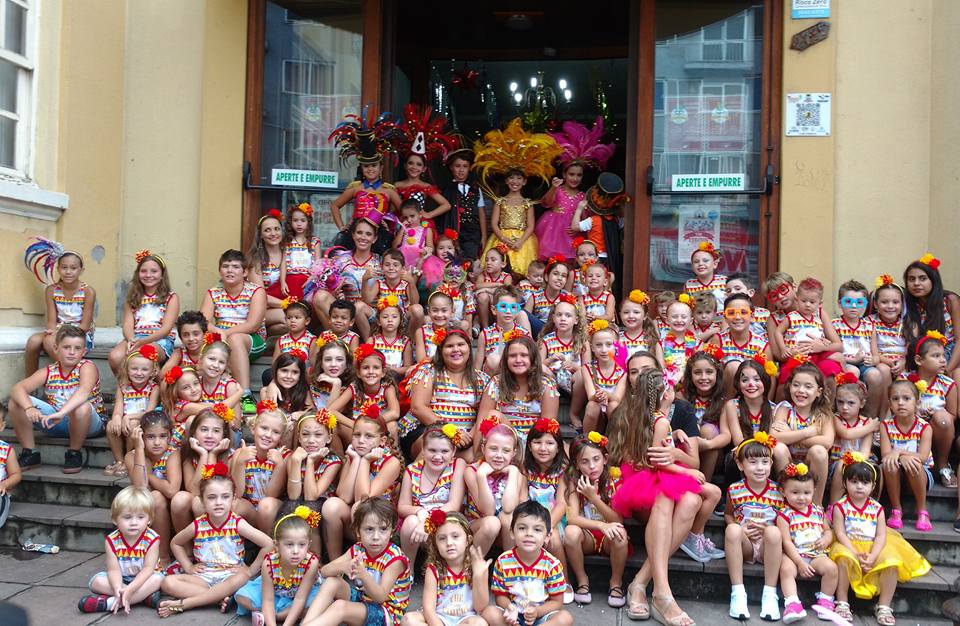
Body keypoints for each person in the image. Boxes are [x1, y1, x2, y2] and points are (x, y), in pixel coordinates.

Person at [158, 462, 274, 617]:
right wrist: (188, 566)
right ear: (202, 500)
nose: (219, 502)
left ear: (233, 499)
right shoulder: (198, 525)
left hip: (230, 575)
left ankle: (185, 604)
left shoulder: (236, 523)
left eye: (225, 497)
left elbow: (268, 544)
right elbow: (176, 543)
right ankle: (218, 598)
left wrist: (251, 569)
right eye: (211, 498)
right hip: (204, 576)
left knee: (243, 577)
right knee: (167, 583)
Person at [829, 453, 931, 625]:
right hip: (848, 543)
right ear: (845, 483)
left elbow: (881, 535)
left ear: (873, 486)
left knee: (891, 561)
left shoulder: (877, 508)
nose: (859, 486)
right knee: (843, 557)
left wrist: (873, 555)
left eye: (865, 482)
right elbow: (840, 533)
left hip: (873, 545)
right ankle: (842, 602)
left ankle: (884, 606)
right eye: (854, 481)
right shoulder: (840, 507)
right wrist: (854, 552)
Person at [10, 324, 105, 473]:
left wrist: (61, 413)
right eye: (66, 347)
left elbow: (83, 393)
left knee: (81, 407)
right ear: (56, 349)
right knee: (16, 402)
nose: (72, 352)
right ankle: (30, 453)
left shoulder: (86, 367)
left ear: (84, 351)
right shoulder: (49, 371)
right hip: (56, 421)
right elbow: (17, 388)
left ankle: (74, 453)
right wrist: (29, 407)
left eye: (77, 348)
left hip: (89, 424)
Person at [302, 497, 412, 626]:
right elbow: (324, 571)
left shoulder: (395, 559)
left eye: (383, 529)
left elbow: (381, 597)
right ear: (358, 531)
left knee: (340, 607)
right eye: (369, 529)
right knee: (332, 582)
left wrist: (363, 575)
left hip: (388, 613)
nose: (376, 537)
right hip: (364, 601)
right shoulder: (358, 549)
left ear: (392, 531)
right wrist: (343, 566)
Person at [474, 119, 561, 276]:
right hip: (501, 238)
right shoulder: (500, 201)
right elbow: (494, 224)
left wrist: (521, 241)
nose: (515, 181)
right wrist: (504, 239)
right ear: (507, 181)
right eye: (512, 178)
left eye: (519, 178)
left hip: (524, 240)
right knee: (498, 270)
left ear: (524, 181)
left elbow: (530, 226)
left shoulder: (528, 203)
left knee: (523, 272)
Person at [321, 413, 402, 558]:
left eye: (369, 436)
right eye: (357, 435)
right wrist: (356, 460)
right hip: (357, 521)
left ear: (382, 440)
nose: (361, 441)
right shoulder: (352, 456)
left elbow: (364, 499)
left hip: (380, 523)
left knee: (358, 507)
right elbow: (344, 497)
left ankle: (366, 561)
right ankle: (336, 560)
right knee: (331, 505)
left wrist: (365, 461)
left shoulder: (391, 462)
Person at [402, 328, 489, 461]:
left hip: (465, 437)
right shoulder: (428, 372)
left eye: (461, 344)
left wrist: (470, 437)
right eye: (449, 346)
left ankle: (461, 457)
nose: (456, 349)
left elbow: (484, 414)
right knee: (438, 443)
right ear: (441, 351)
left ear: (468, 348)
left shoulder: (482, 379)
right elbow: (418, 408)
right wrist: (450, 430)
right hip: (426, 428)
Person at [483, 500, 574, 626]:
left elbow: (557, 602)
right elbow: (500, 596)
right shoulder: (503, 561)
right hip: (513, 617)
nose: (529, 534)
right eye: (522, 528)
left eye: (537, 530)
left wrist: (537, 611)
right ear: (512, 532)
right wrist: (510, 608)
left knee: (565, 618)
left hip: (541, 616)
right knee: (489, 612)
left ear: (547, 536)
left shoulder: (552, 564)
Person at [564, 432, 628, 609]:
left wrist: (594, 498)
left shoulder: (614, 479)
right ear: (577, 464)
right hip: (587, 536)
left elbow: (618, 519)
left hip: (609, 538)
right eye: (584, 462)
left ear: (605, 459)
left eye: (596, 459)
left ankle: (616, 582)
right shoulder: (575, 481)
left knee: (620, 534)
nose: (592, 466)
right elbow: (572, 518)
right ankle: (582, 579)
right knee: (570, 532)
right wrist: (600, 525)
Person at [725, 434, 785, 621]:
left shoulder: (779, 491)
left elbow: (786, 519)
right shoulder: (734, 489)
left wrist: (770, 528)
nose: (760, 467)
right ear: (740, 465)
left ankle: (770, 594)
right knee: (732, 530)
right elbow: (728, 514)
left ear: (771, 464)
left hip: (770, 547)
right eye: (753, 462)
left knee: (774, 531)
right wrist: (738, 528)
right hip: (746, 546)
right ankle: (738, 593)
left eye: (765, 462)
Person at [539, 116, 615, 261]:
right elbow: (546, 203)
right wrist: (553, 188)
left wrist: (578, 227)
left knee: (574, 261)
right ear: (564, 174)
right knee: (555, 262)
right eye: (571, 174)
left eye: (579, 175)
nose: (575, 178)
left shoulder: (583, 195)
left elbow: (586, 217)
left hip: (574, 234)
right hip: (554, 232)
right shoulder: (558, 189)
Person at [78, 486, 165, 613]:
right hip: (122, 579)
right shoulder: (112, 540)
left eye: (140, 517)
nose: (134, 522)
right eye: (127, 517)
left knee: (158, 579)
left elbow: (148, 569)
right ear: (115, 519)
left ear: (149, 519)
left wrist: (130, 589)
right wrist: (118, 588)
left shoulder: (152, 539)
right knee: (95, 581)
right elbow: (113, 570)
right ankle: (142, 598)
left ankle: (109, 603)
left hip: (146, 579)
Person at [200, 249, 267, 414]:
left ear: (244, 272)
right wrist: (219, 333)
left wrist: (225, 333)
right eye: (225, 266)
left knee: (235, 339)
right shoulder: (213, 293)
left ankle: (245, 395)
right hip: (222, 337)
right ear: (220, 271)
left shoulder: (256, 291)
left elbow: (253, 324)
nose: (230, 270)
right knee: (198, 340)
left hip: (251, 339)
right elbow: (203, 322)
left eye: (236, 267)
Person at [234, 505, 322, 625]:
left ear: (309, 544)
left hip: (302, 596)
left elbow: (300, 599)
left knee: (316, 604)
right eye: (289, 544)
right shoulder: (269, 562)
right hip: (276, 592)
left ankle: (273, 615)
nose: (296, 551)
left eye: (302, 545)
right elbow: (268, 600)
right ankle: (270, 614)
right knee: (242, 597)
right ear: (276, 545)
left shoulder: (311, 563)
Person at [328, 114, 402, 254]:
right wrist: (342, 227)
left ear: (381, 168)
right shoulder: (356, 188)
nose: (370, 169)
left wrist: (393, 225)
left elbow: (404, 212)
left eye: (374, 165)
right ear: (361, 168)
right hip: (357, 234)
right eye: (366, 166)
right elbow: (335, 206)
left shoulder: (389, 191)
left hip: (379, 235)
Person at [401, 510, 491, 626]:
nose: (449, 543)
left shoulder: (477, 566)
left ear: (468, 540)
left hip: (466, 619)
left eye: (455, 536)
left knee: (480, 623)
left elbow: (480, 607)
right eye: (442, 538)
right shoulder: (433, 569)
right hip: (439, 618)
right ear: (435, 544)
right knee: (408, 620)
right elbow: (428, 609)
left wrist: (478, 576)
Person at [776, 463, 839, 623]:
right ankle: (792, 603)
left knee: (831, 568)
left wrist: (826, 539)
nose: (801, 497)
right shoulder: (784, 515)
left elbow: (828, 531)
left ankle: (825, 600)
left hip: (816, 555)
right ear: (783, 492)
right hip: (794, 554)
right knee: (786, 568)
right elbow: (786, 542)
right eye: (795, 492)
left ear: (814, 491)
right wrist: (799, 562)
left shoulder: (818, 511)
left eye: (807, 493)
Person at [22, 239, 96, 377]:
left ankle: (70, 376)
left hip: (80, 332)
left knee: (49, 341)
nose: (68, 272)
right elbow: (51, 321)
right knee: (33, 341)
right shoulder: (51, 290)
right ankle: (30, 381)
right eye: (64, 267)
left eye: (73, 268)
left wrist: (59, 335)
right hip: (58, 329)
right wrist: (54, 332)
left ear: (81, 270)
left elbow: (85, 326)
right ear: (58, 269)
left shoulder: (88, 291)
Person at [519, 417, 572, 604]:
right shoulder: (525, 469)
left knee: (553, 539)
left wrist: (546, 527)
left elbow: (562, 503)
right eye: (537, 442)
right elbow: (522, 498)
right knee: (526, 536)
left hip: (554, 518)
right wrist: (530, 524)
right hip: (530, 516)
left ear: (558, 448)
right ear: (529, 445)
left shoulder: (563, 471)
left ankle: (564, 580)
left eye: (549, 443)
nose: (543, 448)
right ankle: (530, 580)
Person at [397, 424, 466, 563]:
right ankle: (407, 569)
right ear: (423, 449)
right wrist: (420, 511)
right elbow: (402, 506)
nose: (438, 456)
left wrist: (428, 521)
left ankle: (447, 568)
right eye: (432, 450)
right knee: (410, 521)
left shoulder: (457, 465)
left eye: (444, 451)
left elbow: (454, 504)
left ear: (453, 452)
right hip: (419, 531)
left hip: (448, 523)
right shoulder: (412, 471)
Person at [478, 335, 559, 451]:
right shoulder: (496, 383)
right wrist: (477, 453)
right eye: (512, 356)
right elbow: (481, 423)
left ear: (533, 358)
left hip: (535, 446)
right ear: (506, 359)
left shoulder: (546, 385)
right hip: (504, 445)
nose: (518, 360)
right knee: (493, 415)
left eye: (524, 355)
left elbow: (548, 429)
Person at [772, 363, 836, 504]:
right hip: (788, 463)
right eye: (796, 385)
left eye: (808, 386)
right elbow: (775, 437)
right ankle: (786, 502)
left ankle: (816, 505)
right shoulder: (785, 409)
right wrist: (807, 432)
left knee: (819, 451)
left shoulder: (823, 414)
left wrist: (791, 434)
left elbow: (827, 442)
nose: (801, 390)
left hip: (812, 464)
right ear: (789, 386)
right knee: (779, 448)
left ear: (818, 391)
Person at [108, 250, 180, 374]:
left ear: (162, 275)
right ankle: (126, 383)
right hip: (136, 337)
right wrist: (131, 340)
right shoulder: (132, 297)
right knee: (115, 356)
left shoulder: (171, 297)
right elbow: (127, 325)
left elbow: (166, 328)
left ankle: (151, 384)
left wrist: (143, 342)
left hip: (159, 339)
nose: (148, 275)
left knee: (142, 355)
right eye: (143, 271)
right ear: (138, 274)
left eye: (154, 271)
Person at [126, 409, 181, 567]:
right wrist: (139, 449)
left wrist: (149, 475)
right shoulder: (132, 456)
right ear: (141, 436)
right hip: (147, 507)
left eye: (162, 436)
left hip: (173, 506)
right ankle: (158, 557)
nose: (157, 442)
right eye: (150, 437)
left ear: (169, 437)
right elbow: (140, 487)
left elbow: (172, 490)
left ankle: (164, 557)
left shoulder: (172, 454)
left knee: (157, 496)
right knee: (155, 497)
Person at [905, 331, 958, 487]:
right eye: (936, 356)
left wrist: (936, 414)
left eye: (943, 355)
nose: (943, 360)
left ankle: (943, 465)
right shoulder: (905, 380)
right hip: (910, 429)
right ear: (919, 360)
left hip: (937, 433)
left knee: (943, 418)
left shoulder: (947, 384)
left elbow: (953, 415)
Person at [880, 380, 934, 532]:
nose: (900, 403)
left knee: (914, 463)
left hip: (921, 473)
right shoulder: (885, 426)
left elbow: (922, 457)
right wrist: (900, 457)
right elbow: (885, 454)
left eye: (906, 398)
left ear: (917, 402)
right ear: (890, 404)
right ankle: (896, 510)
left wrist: (899, 452)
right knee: (889, 464)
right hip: (895, 473)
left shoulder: (925, 427)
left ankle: (922, 511)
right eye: (895, 399)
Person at [169, 407, 232, 532]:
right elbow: (194, 490)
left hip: (221, 503)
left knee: (200, 503)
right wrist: (203, 455)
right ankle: (186, 542)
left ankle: (214, 539)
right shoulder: (189, 456)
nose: (209, 435)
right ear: (194, 433)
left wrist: (213, 455)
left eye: (216, 431)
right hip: (199, 499)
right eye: (204, 429)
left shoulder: (230, 456)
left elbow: (214, 490)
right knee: (181, 499)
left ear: (223, 435)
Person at [464, 419, 522, 553]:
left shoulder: (515, 473)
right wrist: (481, 476)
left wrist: (513, 473)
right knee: (492, 523)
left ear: (513, 453)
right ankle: (472, 563)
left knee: (508, 517)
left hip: (506, 531)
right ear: (483, 448)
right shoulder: (472, 471)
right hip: (477, 527)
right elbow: (488, 511)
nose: (499, 455)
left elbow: (509, 507)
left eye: (506, 451)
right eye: (493, 449)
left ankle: (509, 562)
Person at [774, 277, 844, 387]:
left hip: (818, 354)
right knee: (786, 374)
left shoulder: (818, 318)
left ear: (819, 303)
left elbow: (838, 345)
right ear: (797, 299)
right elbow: (778, 332)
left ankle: (841, 387)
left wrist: (823, 346)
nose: (807, 304)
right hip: (798, 354)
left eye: (812, 302)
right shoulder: (792, 317)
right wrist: (784, 348)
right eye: (803, 301)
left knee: (838, 357)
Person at [231, 406, 288, 534]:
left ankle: (268, 542)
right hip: (250, 510)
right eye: (264, 428)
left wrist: (279, 466)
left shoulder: (284, 456)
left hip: (272, 511)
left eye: (276, 432)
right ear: (253, 428)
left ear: (281, 437)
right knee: (233, 504)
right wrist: (240, 463)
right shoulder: (240, 453)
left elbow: (271, 495)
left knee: (265, 505)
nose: (268, 435)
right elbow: (237, 493)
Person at [106, 345, 161, 477]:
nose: (139, 373)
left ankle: (128, 460)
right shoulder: (123, 387)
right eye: (134, 368)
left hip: (144, 421)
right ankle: (119, 460)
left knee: (133, 424)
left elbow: (149, 412)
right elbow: (118, 408)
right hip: (126, 421)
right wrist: (117, 418)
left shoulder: (153, 388)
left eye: (144, 369)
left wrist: (128, 417)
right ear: (127, 369)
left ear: (152, 372)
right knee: (110, 425)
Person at [327, 344, 400, 444]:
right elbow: (331, 410)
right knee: (335, 427)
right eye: (366, 368)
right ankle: (338, 454)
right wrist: (356, 425)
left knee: (392, 425)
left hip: (378, 430)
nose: (371, 371)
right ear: (358, 373)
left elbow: (395, 412)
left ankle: (390, 453)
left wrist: (371, 424)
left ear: (383, 372)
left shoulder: (387, 388)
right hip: (357, 432)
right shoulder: (354, 387)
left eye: (376, 367)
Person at [902, 253, 960, 378]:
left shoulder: (950, 300)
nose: (916, 283)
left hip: (949, 356)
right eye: (911, 279)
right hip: (922, 358)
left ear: (933, 280)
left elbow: (959, 339)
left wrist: (947, 369)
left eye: (922, 278)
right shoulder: (905, 303)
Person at [829, 374, 876, 505]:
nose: (844, 407)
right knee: (841, 465)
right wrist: (869, 428)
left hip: (861, 460)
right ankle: (833, 505)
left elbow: (865, 452)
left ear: (862, 403)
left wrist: (856, 461)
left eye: (851, 403)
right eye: (840, 402)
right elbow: (845, 433)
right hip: (837, 461)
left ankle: (870, 506)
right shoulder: (835, 418)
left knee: (872, 469)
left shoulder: (866, 422)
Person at [439, 142, 487, 261]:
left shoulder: (476, 189)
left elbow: (481, 213)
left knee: (470, 260)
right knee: (453, 260)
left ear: (469, 168)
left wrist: (484, 236)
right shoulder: (446, 189)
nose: (461, 170)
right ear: (451, 167)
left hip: (472, 234)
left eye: (465, 166)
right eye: (457, 166)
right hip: (452, 232)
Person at [869, 276, 907, 418]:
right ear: (876, 304)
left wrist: (903, 362)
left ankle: (900, 417)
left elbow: (910, 349)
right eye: (884, 302)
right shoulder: (870, 323)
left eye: (895, 302)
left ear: (902, 304)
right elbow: (870, 349)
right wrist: (888, 361)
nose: (890, 306)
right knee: (883, 370)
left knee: (904, 379)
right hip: (880, 360)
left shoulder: (907, 324)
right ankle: (883, 415)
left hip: (901, 363)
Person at [286, 409, 342, 505]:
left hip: (323, 506)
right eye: (305, 434)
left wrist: (310, 462)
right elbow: (293, 496)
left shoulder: (333, 462)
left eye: (318, 435)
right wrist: (295, 462)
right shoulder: (294, 458)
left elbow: (311, 497)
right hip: (298, 504)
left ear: (329, 438)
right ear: (299, 438)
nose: (311, 440)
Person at [247, 209, 287, 336]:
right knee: (290, 317)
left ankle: (267, 338)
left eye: (276, 229)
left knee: (291, 321)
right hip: (261, 309)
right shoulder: (256, 259)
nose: (273, 233)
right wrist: (288, 304)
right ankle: (259, 334)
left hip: (283, 306)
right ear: (260, 235)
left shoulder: (288, 253)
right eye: (267, 230)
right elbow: (260, 296)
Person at [581, 321, 626, 434]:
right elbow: (591, 396)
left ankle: (615, 441)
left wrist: (607, 394)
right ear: (592, 347)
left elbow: (617, 398)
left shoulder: (623, 370)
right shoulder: (587, 368)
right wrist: (596, 396)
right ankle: (588, 440)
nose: (604, 350)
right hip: (597, 415)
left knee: (613, 405)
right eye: (598, 345)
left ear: (616, 345)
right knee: (592, 405)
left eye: (609, 344)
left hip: (617, 413)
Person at [477, 287, 530, 375]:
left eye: (513, 307)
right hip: (492, 376)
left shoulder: (523, 333)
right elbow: (477, 366)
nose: (508, 311)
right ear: (494, 310)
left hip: (515, 375)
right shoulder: (485, 334)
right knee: (494, 360)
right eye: (503, 306)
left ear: (518, 311)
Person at [278, 202, 320, 301]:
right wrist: (282, 282)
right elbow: (283, 263)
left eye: (303, 220)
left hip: (308, 280)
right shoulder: (287, 242)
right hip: (291, 280)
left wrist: (313, 277)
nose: (299, 224)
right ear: (290, 222)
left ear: (308, 222)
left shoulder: (314, 242)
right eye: (295, 220)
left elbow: (318, 264)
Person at [525, 258, 570, 338]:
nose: (559, 278)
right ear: (546, 277)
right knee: (522, 313)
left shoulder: (569, 297)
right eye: (555, 274)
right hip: (539, 331)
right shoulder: (535, 296)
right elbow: (525, 316)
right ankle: (528, 343)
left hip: (560, 331)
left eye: (563, 276)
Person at [161, 311, 208, 377]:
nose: (191, 339)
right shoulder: (180, 353)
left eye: (196, 334)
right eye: (185, 335)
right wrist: (187, 369)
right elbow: (162, 374)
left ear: (205, 334)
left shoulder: (211, 350)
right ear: (180, 337)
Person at [684, 242, 727, 312]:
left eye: (705, 261)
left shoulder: (724, 281)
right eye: (696, 261)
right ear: (692, 266)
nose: (700, 264)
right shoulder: (689, 284)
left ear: (715, 264)